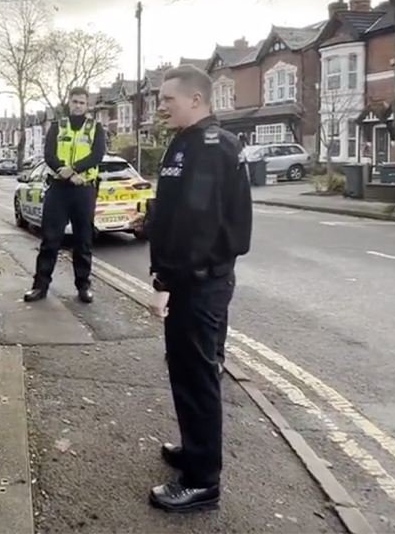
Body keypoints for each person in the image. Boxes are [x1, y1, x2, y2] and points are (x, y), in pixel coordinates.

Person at [144, 65, 252, 513]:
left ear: (195, 100)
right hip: (200, 278)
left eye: (168, 99)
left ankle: (202, 482)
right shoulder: (194, 141)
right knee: (188, 373)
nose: (161, 106)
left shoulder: (207, 147)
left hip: (197, 282)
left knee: (196, 378)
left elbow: (195, 224)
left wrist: (165, 280)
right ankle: (195, 449)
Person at [25, 86, 108, 304]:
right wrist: (68, 173)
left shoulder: (95, 128)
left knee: (83, 242)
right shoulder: (57, 126)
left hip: (84, 189)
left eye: (82, 102)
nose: (78, 105)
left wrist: (74, 169)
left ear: (87, 105)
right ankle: (40, 287)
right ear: (68, 103)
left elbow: (97, 155)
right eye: (74, 102)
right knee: (50, 240)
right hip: (59, 189)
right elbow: (49, 155)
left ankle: (83, 286)